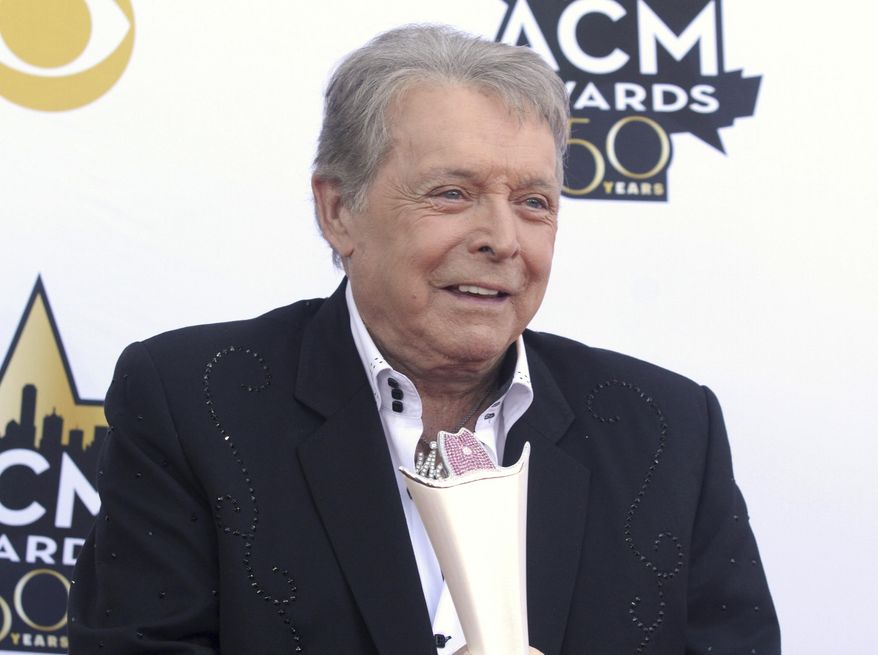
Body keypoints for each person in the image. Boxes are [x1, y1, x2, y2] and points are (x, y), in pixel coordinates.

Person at [68, 24, 780, 655]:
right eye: (453, 194)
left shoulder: (668, 428)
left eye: (533, 202)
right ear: (339, 210)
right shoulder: (195, 400)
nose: (502, 239)